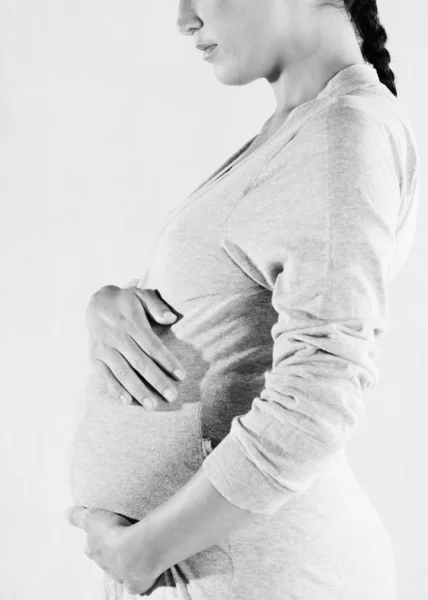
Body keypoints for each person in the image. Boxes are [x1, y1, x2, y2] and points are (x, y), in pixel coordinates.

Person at [68, 1, 420, 598]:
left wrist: (144, 550)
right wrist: (110, 304)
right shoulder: (303, 128)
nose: (185, 19)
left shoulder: (342, 133)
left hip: (262, 575)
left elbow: (321, 393)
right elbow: (222, 302)